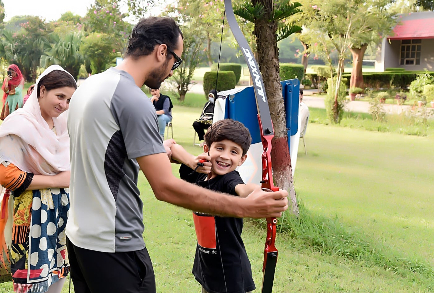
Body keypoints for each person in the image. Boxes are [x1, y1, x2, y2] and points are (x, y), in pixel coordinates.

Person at [66, 17, 288, 293]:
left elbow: (107, 151)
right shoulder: (132, 99)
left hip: (79, 239)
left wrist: (183, 158)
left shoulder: (89, 86)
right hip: (114, 243)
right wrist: (248, 208)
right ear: (161, 51)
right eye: (176, 61)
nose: (172, 70)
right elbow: (165, 188)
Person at [0, 65, 77, 293]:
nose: (63, 105)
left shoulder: (62, 126)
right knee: (31, 282)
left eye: (68, 100)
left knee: (57, 275)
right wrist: (58, 181)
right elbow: (7, 175)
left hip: (60, 213)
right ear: (42, 90)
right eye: (60, 96)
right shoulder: (20, 124)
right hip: (31, 215)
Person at [171, 119, 258, 293]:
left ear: (242, 160)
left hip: (229, 268)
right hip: (207, 263)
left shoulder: (229, 179)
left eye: (234, 152)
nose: (225, 156)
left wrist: (263, 191)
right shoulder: (198, 173)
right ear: (206, 148)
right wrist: (192, 162)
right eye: (220, 148)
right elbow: (172, 147)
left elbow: (243, 190)